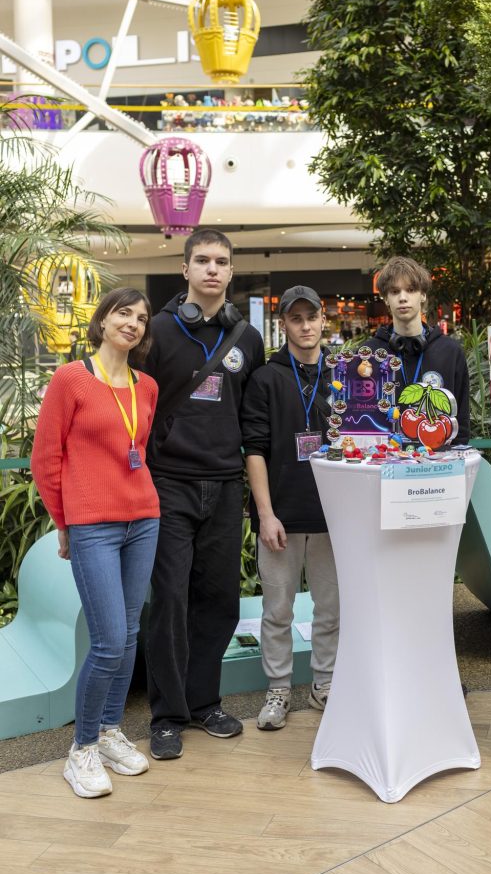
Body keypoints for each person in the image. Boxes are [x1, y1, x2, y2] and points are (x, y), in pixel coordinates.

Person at [139, 229, 265, 760]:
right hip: (168, 484)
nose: (212, 269)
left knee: (218, 600)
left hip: (226, 485)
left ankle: (204, 702)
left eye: (221, 261)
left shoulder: (248, 340)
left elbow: (253, 417)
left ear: (231, 271)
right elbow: (137, 409)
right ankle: (167, 716)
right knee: (170, 600)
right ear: (185, 268)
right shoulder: (156, 332)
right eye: (203, 260)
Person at [31, 288, 160, 799]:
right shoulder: (71, 379)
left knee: (128, 635)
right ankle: (81, 748)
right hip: (93, 526)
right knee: (108, 640)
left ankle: (108, 732)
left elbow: (138, 449)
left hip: (143, 518)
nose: (133, 323)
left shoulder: (146, 386)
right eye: (123, 313)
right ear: (103, 320)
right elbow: (46, 457)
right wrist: (65, 523)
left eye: (141, 318)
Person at [242, 285, 339, 731]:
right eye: (295, 318)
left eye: (311, 317)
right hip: (280, 515)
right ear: (283, 324)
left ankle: (325, 683)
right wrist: (265, 514)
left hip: (332, 515)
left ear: (323, 319)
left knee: (330, 609)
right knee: (277, 610)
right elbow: (254, 449)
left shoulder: (343, 374)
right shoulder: (265, 378)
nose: (305, 326)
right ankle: (278, 689)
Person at [364, 256, 470, 444]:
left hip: (439, 458)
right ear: (386, 298)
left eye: (411, 290)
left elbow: (460, 424)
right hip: (382, 458)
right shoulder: (369, 354)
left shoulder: (450, 352)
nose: (403, 298)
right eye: (394, 291)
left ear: (423, 295)